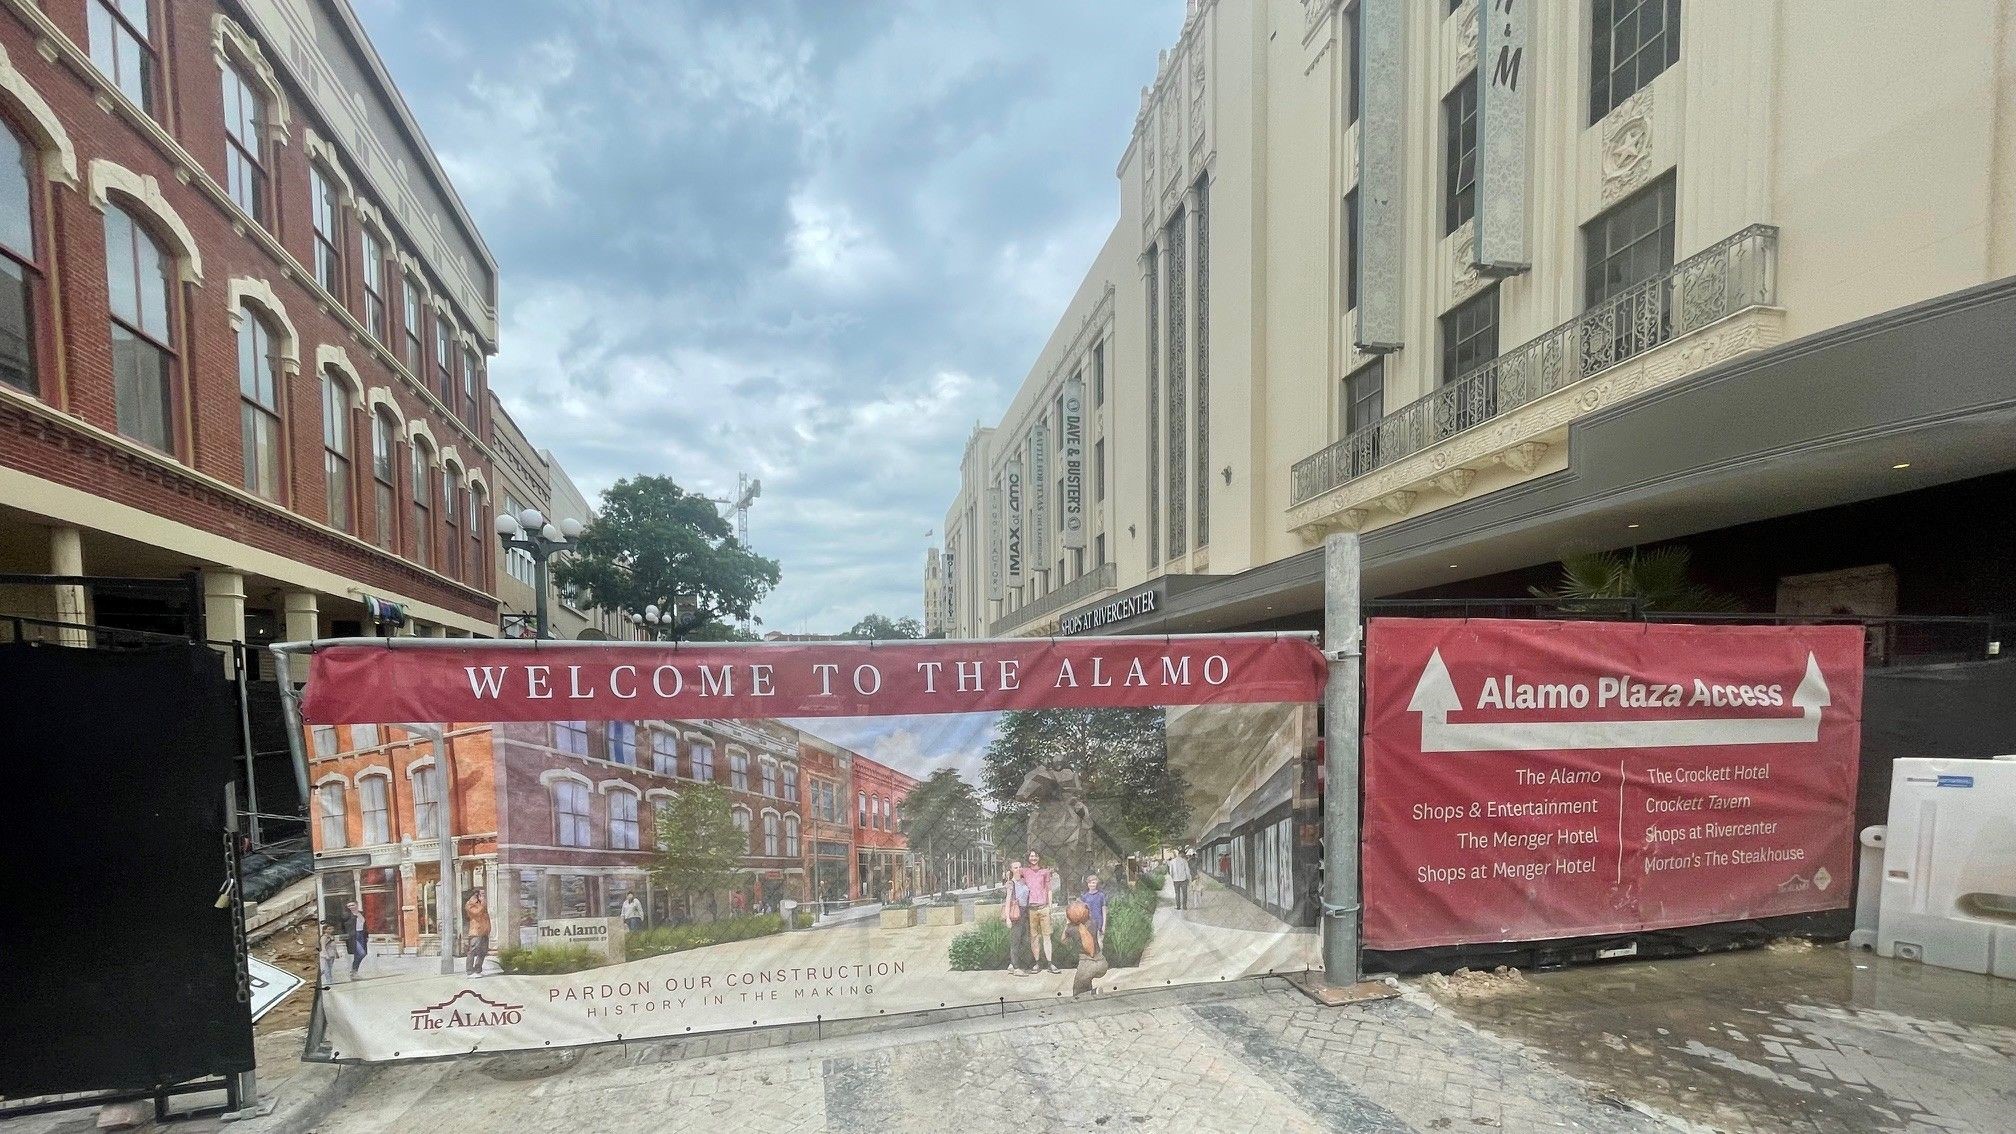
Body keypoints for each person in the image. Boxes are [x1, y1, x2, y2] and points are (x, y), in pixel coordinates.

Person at [1022, 850, 1061, 973]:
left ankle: (1050, 963)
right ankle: (1037, 963)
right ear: (1028, 858)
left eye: (1035, 856)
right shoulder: (1025, 872)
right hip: (1031, 909)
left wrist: (1050, 906)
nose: (1033, 858)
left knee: (1046, 936)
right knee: (1034, 937)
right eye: (1031, 856)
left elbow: (1049, 889)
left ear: (1039, 858)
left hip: (1043, 907)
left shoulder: (1045, 872)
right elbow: (1015, 877)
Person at [1002, 865, 1031, 975]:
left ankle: (1012, 964)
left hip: (1025, 912)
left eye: (1019, 866)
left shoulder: (1024, 881)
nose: (1018, 869)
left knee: (1025, 940)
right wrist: (1008, 918)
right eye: (1015, 867)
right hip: (1016, 913)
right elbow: (1008, 900)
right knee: (1015, 941)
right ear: (1011, 870)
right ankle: (1016, 967)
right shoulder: (1011, 883)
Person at [463, 889, 492, 977]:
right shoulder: (471, 904)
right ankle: (469, 971)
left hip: (484, 931)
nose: (484, 895)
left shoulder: (482, 903)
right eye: (482, 893)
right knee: (473, 950)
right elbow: (477, 913)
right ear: (477, 894)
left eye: (484, 893)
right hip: (476, 931)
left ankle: (478, 969)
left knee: (483, 951)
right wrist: (483, 902)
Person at [343, 900, 368, 978]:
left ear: (357, 905)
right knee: (361, 953)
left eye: (352, 905)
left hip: (362, 935)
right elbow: (344, 926)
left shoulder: (362, 913)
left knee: (360, 954)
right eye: (349, 906)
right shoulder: (347, 915)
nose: (351, 907)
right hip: (353, 936)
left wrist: (367, 935)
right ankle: (354, 971)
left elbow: (365, 924)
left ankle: (354, 973)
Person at [1081, 874, 1108, 948]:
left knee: (1099, 941)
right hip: (1089, 922)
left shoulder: (1101, 895)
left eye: (1093, 883)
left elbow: (1104, 910)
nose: (1091, 884)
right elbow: (1083, 911)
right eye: (1090, 883)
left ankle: (1100, 956)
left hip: (1099, 921)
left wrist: (1104, 925)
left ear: (1097, 884)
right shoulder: (1085, 896)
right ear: (1087, 884)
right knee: (1090, 941)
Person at [317, 923, 340, 989]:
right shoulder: (324, 937)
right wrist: (326, 955)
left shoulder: (332, 937)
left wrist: (336, 953)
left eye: (332, 929)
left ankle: (329, 979)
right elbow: (323, 947)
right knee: (326, 968)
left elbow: (334, 946)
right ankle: (328, 980)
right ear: (325, 930)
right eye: (329, 929)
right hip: (326, 955)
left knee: (329, 968)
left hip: (332, 954)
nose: (331, 930)